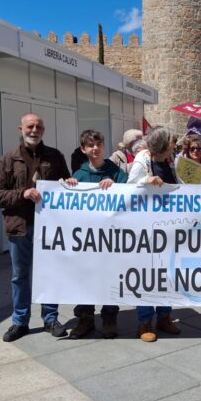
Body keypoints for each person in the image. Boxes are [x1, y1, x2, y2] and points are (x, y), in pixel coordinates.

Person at [0, 113, 72, 342]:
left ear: (43, 130)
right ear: (21, 129)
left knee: (50, 273)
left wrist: (70, 183)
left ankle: (50, 318)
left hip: (49, 227)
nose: (34, 130)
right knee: (20, 276)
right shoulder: (7, 159)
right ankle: (20, 321)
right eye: (30, 126)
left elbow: (66, 184)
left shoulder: (55, 156)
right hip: (20, 227)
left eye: (38, 126)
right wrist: (22, 193)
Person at [68, 129, 128, 339]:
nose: (95, 148)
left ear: (103, 146)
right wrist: (67, 187)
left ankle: (110, 318)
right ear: (84, 149)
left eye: (98, 144)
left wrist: (116, 185)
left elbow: (130, 193)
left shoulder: (115, 171)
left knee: (110, 276)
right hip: (87, 240)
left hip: (111, 239)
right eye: (90, 145)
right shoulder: (80, 174)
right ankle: (85, 319)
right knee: (86, 278)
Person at [135, 126, 182, 342]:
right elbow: (127, 189)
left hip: (169, 229)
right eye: (172, 142)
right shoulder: (142, 161)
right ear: (162, 144)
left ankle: (164, 316)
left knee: (166, 274)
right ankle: (145, 321)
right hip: (147, 230)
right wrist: (146, 181)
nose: (175, 145)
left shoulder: (170, 161)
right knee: (147, 275)